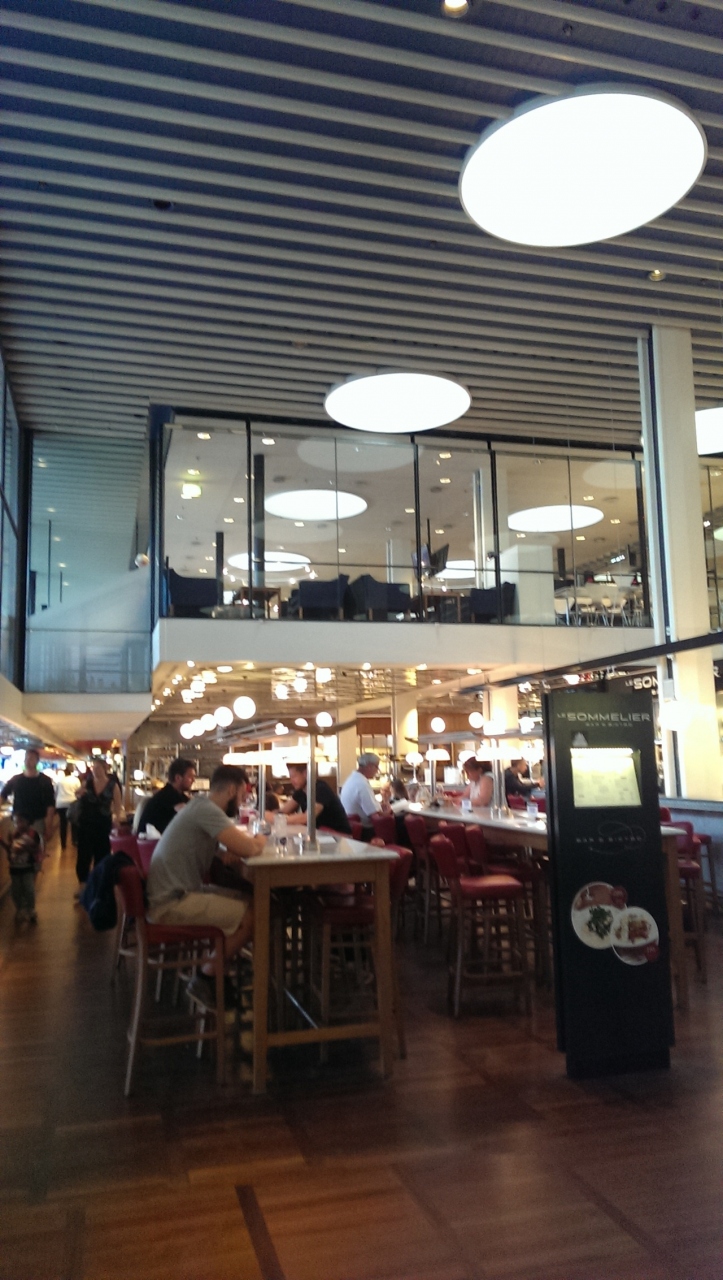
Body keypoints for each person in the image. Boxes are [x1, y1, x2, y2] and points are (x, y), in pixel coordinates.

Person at [146, 765, 266, 1007]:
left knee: (252, 902)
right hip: (172, 902)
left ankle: (221, 972)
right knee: (255, 915)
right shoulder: (207, 810)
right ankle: (205, 977)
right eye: (242, 795)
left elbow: (214, 847)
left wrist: (227, 852)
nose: (242, 802)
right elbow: (250, 848)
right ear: (231, 790)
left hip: (175, 893)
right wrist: (262, 836)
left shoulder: (200, 806)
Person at [75, 758, 123, 891]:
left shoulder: (112, 785)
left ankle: (97, 883)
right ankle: (83, 885)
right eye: (93, 768)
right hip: (86, 823)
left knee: (102, 854)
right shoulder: (87, 783)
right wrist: (80, 793)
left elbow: (118, 805)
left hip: (103, 824)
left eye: (98, 768)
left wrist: (116, 820)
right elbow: (77, 794)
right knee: (84, 854)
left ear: (104, 769)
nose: (95, 771)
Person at [278, 763, 352, 834]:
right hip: (321, 834)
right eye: (290, 777)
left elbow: (307, 817)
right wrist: (275, 816)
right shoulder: (301, 791)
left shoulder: (320, 789)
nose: (291, 781)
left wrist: (278, 819)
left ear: (305, 774)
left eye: (294, 776)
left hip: (339, 836)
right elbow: (282, 811)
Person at [1, 749, 56, 841]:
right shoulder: (16, 779)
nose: (27, 761)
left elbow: (50, 805)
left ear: (37, 761)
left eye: (31, 758)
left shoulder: (45, 781)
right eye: (26, 758)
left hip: (37, 822)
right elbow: (3, 795)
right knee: (17, 847)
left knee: (36, 847)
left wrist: (49, 826)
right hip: (18, 822)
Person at [0, 814, 43, 924]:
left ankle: (31, 909)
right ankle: (20, 909)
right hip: (15, 867)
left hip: (27, 867)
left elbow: (36, 849)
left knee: (29, 888)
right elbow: (10, 849)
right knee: (16, 890)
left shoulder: (33, 834)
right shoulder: (13, 834)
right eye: (16, 822)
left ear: (28, 822)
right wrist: (4, 844)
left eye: (21, 821)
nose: (18, 824)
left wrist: (25, 848)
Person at [137, 757, 196, 835]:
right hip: (152, 841)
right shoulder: (168, 795)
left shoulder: (179, 795)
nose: (193, 780)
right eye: (190, 777)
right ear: (178, 778)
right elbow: (189, 816)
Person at [340, 753, 390, 826]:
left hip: (351, 823)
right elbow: (374, 814)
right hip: (364, 826)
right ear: (369, 766)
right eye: (377, 767)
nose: (378, 770)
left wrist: (379, 806)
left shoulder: (352, 779)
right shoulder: (362, 784)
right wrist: (389, 812)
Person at [54, 763, 80, 850]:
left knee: (63, 823)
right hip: (72, 802)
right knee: (74, 822)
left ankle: (63, 843)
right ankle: (75, 840)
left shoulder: (60, 781)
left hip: (60, 804)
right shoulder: (75, 780)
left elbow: (56, 792)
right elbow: (79, 791)